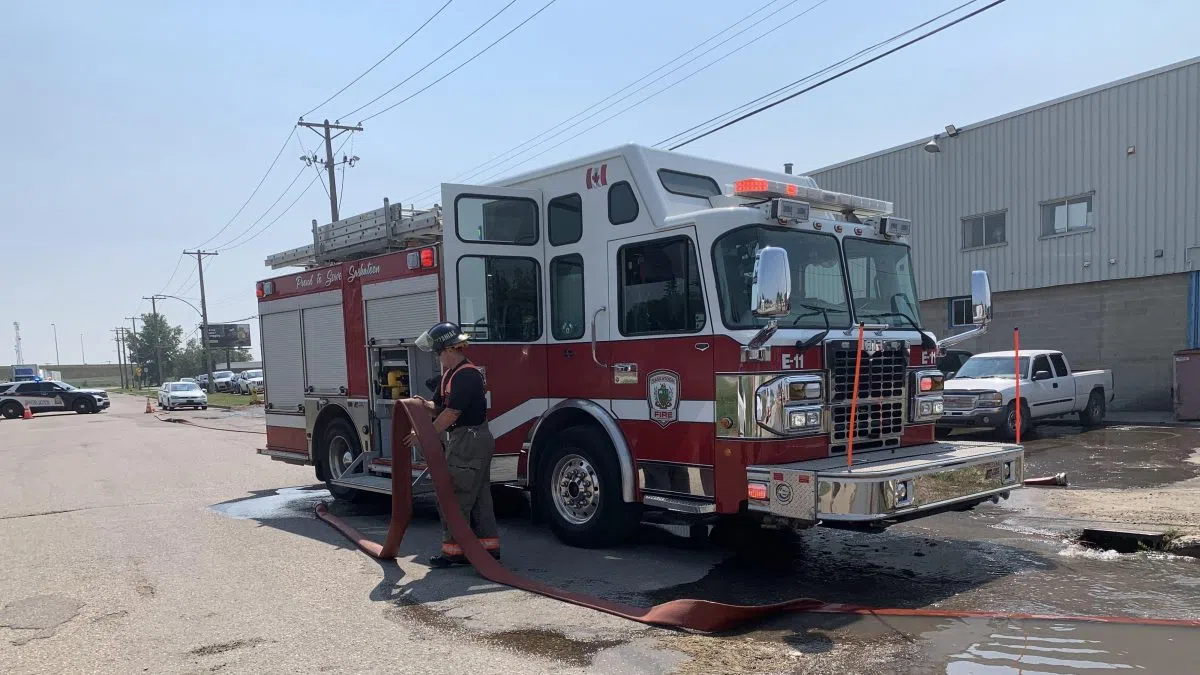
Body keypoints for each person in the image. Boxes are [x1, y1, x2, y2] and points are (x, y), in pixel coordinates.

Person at [405, 321, 499, 568]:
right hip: (469, 440)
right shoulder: (451, 375)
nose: (437, 358)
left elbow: (451, 415)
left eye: (437, 352)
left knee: (455, 495)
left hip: (469, 441)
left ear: (448, 349)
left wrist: (424, 433)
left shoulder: (466, 375)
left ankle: (454, 552)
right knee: (478, 496)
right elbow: (440, 408)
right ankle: (487, 549)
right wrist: (424, 405)